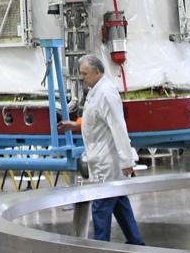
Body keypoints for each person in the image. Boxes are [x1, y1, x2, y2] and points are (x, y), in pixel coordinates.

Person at [60, 55, 144, 246]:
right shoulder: (95, 91)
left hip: (107, 162)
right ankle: (137, 243)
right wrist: (76, 124)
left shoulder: (106, 93)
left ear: (97, 72)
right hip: (101, 160)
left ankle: (100, 247)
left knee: (100, 207)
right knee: (119, 203)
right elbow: (96, 119)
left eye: (85, 74)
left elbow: (118, 126)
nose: (82, 78)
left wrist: (126, 161)